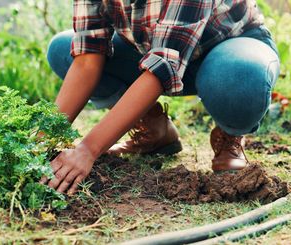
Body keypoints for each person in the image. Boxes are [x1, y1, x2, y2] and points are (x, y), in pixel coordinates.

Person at [42, 0, 280, 195]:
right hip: (155, 50)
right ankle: (155, 130)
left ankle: (230, 135)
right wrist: (43, 138)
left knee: (241, 75)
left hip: (227, 49)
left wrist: (87, 149)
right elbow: (88, 58)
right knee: (64, 49)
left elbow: (163, 67)